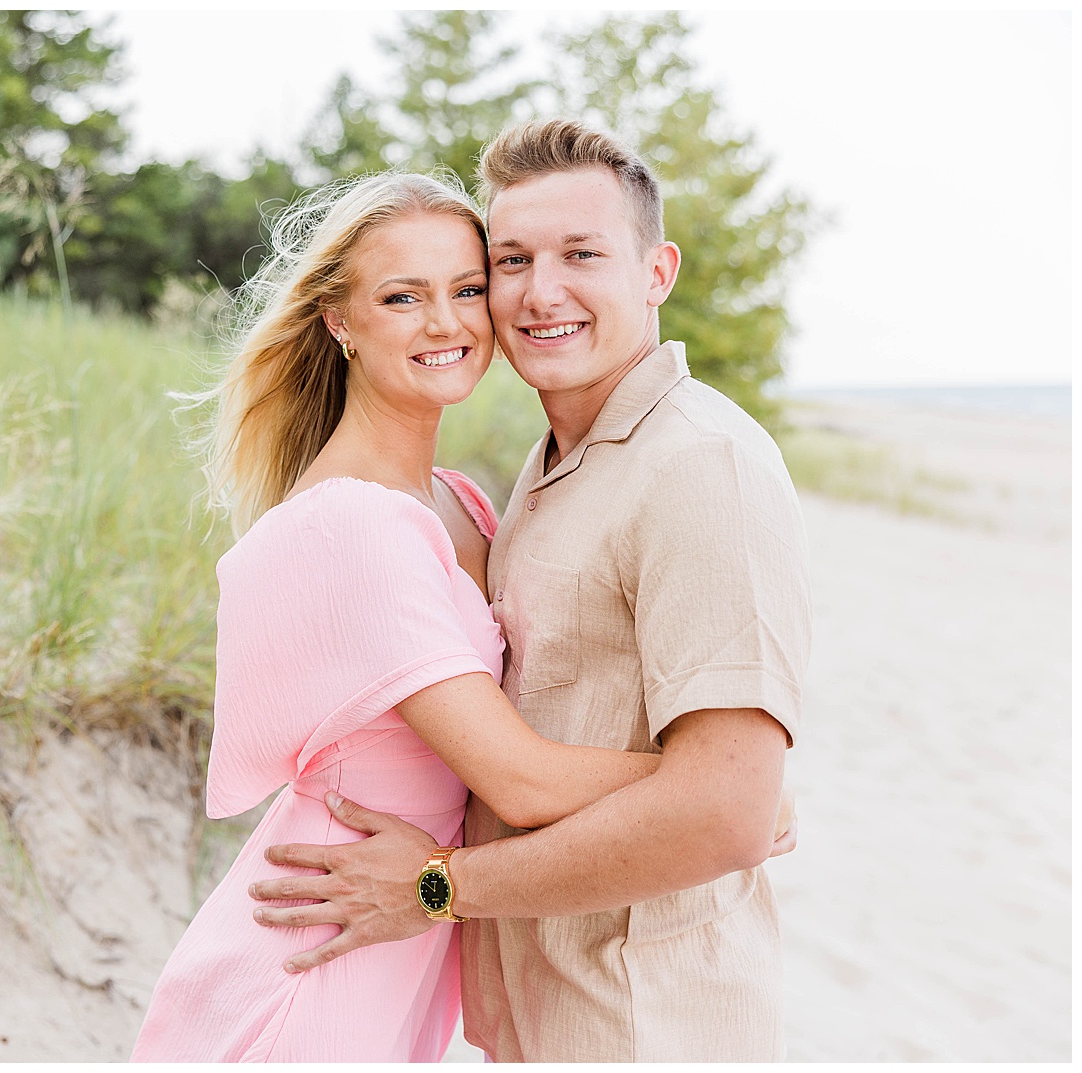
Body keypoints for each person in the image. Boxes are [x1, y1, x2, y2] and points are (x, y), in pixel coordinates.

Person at [249, 120, 813, 1062]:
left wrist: (436, 886)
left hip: (642, 1024)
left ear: (656, 272)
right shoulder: (552, 470)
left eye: (582, 255)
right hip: (536, 1017)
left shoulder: (701, 466)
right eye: (510, 261)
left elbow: (725, 811)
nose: (540, 293)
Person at [129, 171, 693, 1062]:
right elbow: (521, 779)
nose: (448, 322)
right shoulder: (354, 523)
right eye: (403, 296)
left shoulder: (460, 503)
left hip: (399, 930)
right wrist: (712, 790)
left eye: (468, 289)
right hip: (315, 953)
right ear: (340, 321)